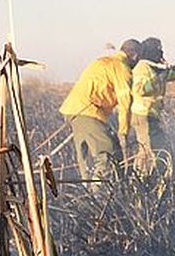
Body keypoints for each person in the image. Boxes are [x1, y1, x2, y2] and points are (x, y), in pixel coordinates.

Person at [59, 39, 141, 183]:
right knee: (107, 153)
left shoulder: (103, 61)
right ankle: (101, 197)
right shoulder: (121, 67)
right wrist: (123, 132)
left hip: (74, 111)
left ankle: (88, 196)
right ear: (134, 55)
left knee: (88, 160)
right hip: (88, 112)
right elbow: (125, 102)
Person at [127, 36, 175, 178]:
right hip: (143, 115)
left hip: (151, 115)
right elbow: (140, 89)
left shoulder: (155, 68)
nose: (161, 53)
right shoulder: (142, 67)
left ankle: (147, 179)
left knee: (152, 149)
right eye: (158, 50)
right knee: (148, 151)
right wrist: (159, 78)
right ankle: (141, 180)